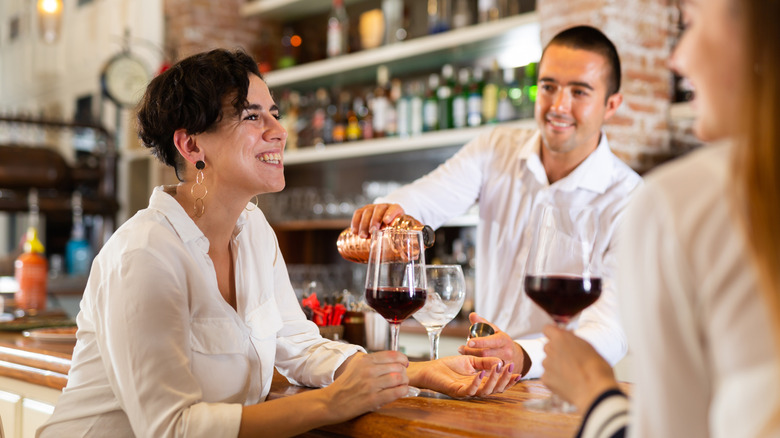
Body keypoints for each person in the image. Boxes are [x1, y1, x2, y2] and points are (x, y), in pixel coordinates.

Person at [36, 49, 521, 438]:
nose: (278, 131)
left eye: (274, 113)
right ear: (191, 146)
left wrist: (417, 372)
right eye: (251, 117)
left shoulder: (253, 230)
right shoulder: (142, 255)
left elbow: (299, 346)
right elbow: (171, 428)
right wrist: (330, 403)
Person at [541, 0, 780, 436]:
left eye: (690, 24)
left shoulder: (681, 203)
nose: (677, 58)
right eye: (549, 87)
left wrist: (595, 391)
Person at [350, 25, 642, 378]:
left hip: (558, 383)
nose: (559, 105)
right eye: (548, 86)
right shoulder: (495, 149)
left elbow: (611, 327)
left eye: (579, 92)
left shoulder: (632, 200)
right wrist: (393, 210)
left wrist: (524, 355)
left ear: (611, 105)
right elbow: (429, 196)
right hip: (479, 374)